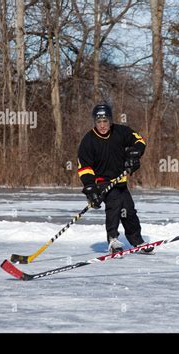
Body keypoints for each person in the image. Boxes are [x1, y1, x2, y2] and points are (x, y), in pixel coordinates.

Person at [77, 102, 153, 255]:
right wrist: (90, 189)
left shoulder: (120, 131)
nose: (103, 125)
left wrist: (134, 154)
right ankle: (113, 239)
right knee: (114, 204)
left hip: (120, 181)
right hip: (102, 183)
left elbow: (140, 141)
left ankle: (136, 240)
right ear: (95, 122)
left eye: (105, 121)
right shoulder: (88, 140)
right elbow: (84, 167)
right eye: (99, 122)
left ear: (110, 121)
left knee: (128, 210)